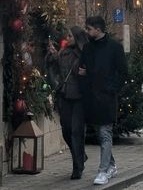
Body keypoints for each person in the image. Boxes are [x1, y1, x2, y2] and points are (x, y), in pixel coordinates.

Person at [79, 16, 128, 187]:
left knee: (105, 133)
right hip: (91, 97)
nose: (87, 32)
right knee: (100, 133)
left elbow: (123, 72)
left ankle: (102, 171)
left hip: (107, 98)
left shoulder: (115, 47)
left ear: (98, 29)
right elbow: (83, 68)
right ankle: (112, 165)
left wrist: (111, 88)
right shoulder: (87, 47)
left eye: (89, 29)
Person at [46, 26, 88, 180]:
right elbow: (54, 67)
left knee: (77, 131)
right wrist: (51, 55)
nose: (67, 38)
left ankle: (78, 167)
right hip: (65, 95)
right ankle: (80, 154)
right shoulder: (63, 53)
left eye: (70, 36)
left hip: (79, 97)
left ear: (77, 38)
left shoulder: (84, 53)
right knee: (66, 130)